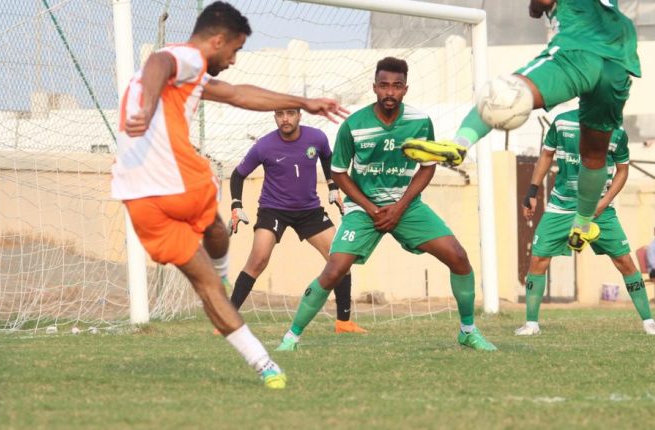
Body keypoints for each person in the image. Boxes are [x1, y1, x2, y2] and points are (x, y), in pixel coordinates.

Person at [111, 1, 347, 389]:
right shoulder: (184, 57)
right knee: (214, 236)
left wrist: (303, 102)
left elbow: (237, 94)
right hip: (179, 182)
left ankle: (264, 364)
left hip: (137, 197)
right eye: (235, 50)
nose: (234, 60)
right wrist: (150, 105)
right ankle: (229, 288)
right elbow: (158, 62)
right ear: (218, 40)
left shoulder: (186, 77)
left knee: (208, 278)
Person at [275, 57, 496, 352]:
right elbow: (338, 173)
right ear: (374, 87)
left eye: (396, 86)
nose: (389, 92)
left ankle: (468, 331)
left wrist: (400, 207)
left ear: (405, 89)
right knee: (334, 270)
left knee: (458, 257)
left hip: (406, 206)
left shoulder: (419, 121)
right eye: (384, 85)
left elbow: (427, 167)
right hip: (363, 209)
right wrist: (370, 208)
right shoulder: (354, 125)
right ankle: (291, 338)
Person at [406, 0, 641, 253]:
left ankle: (460, 143)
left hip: (579, 45)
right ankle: (582, 225)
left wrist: (536, 7)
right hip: (618, 60)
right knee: (594, 156)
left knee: (507, 92)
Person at [516, 110, 655, 336]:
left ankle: (649, 322)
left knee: (624, 262)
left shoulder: (617, 131)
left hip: (599, 211)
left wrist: (603, 203)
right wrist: (532, 191)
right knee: (538, 259)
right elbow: (546, 155)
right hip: (561, 206)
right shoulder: (562, 122)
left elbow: (622, 170)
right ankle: (531, 324)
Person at [227, 108, 366, 334]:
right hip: (273, 210)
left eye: (290, 113)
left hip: (309, 210)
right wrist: (236, 205)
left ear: (299, 115)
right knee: (258, 260)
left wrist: (332, 186)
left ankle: (343, 323)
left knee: (340, 259)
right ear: (274, 117)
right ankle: (227, 319)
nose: (285, 119)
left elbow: (328, 159)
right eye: (280, 114)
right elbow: (238, 174)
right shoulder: (264, 145)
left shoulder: (317, 138)